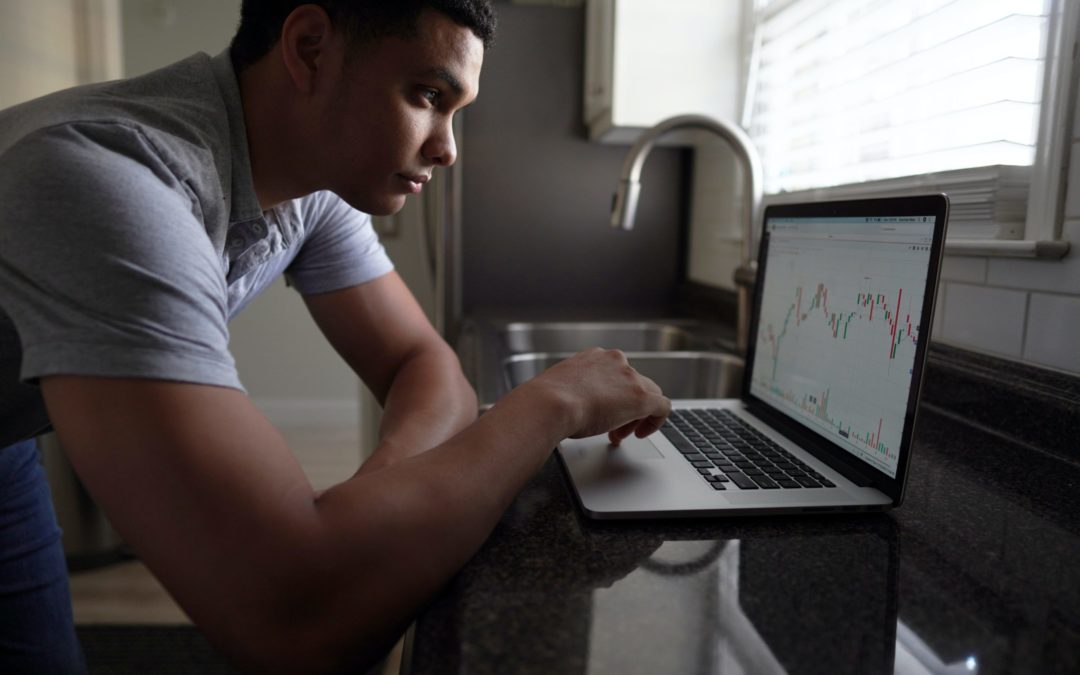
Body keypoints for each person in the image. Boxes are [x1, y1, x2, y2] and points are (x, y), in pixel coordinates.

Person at [0, 1, 670, 672]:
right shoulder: (103, 178)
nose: (448, 148)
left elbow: (424, 362)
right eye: (429, 95)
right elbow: (288, 621)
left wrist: (370, 501)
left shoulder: (310, 189)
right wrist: (550, 404)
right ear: (311, 47)